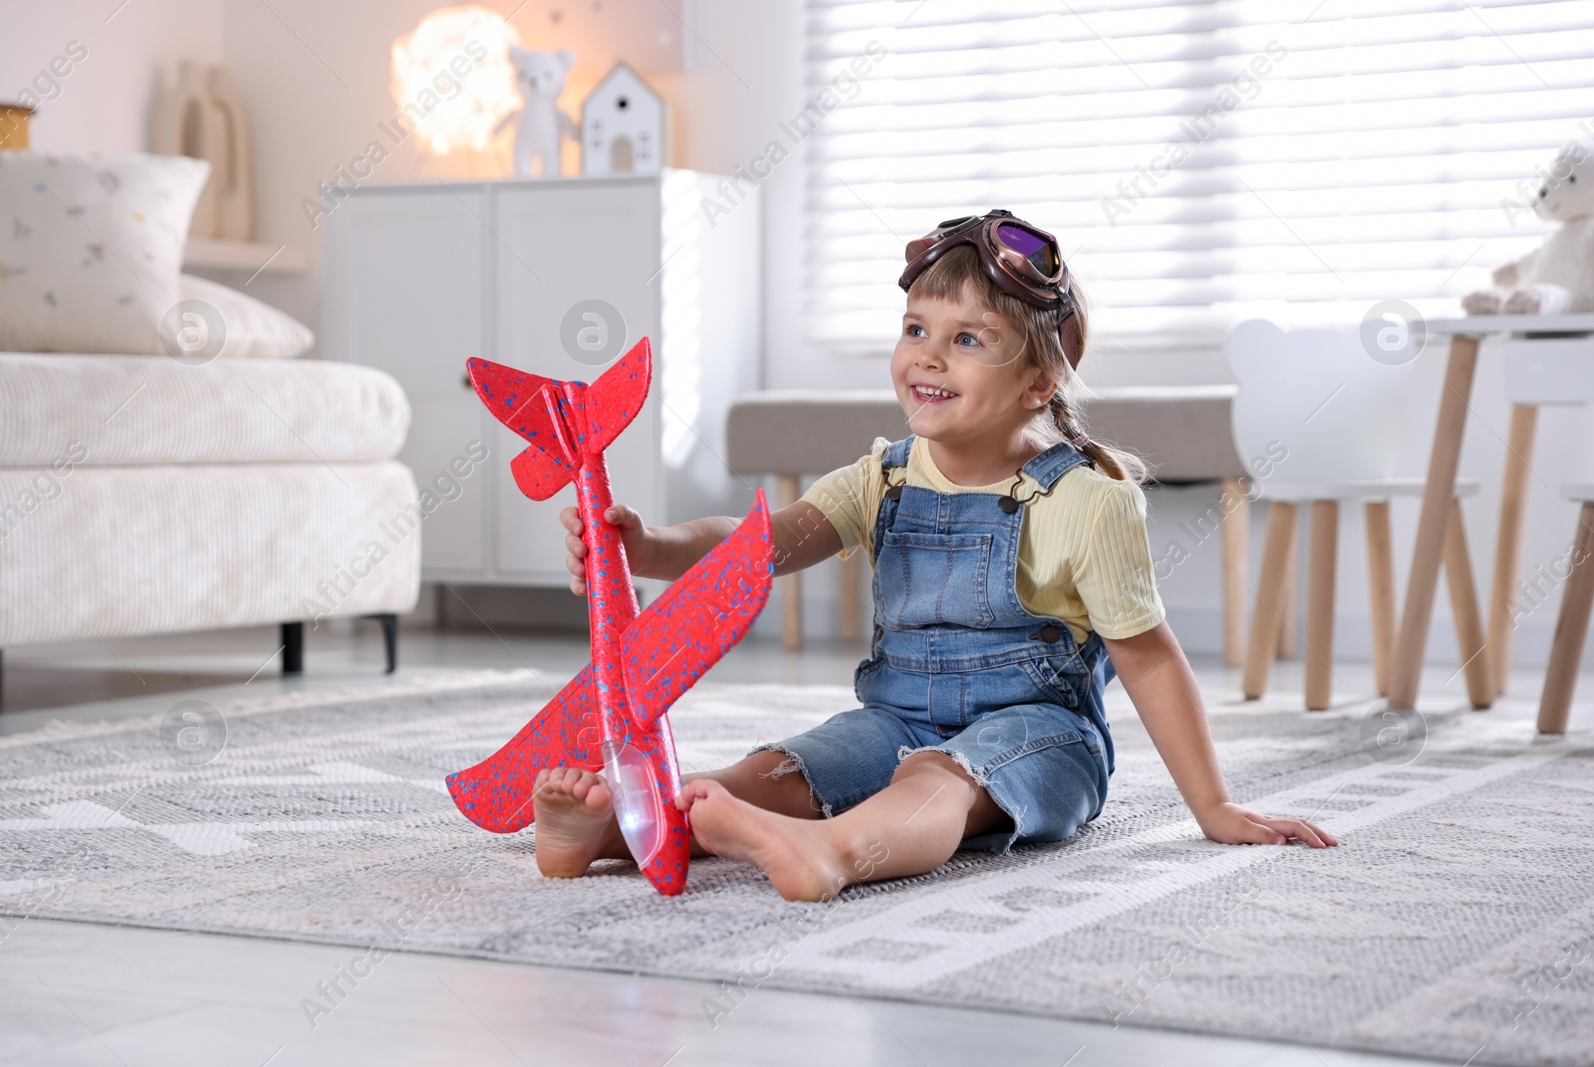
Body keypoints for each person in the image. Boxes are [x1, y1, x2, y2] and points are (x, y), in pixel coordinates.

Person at [535, 210, 1337, 902]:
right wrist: (646, 546)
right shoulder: (882, 476)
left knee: (941, 780)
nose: (927, 355)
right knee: (777, 774)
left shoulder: (1087, 500)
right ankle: (612, 831)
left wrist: (1215, 806)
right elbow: (757, 548)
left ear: (1037, 381)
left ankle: (836, 853)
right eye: (916, 329)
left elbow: (1151, 661)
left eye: (967, 340)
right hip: (894, 718)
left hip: (1036, 736)